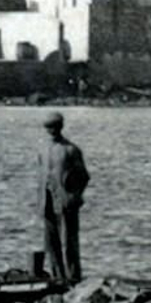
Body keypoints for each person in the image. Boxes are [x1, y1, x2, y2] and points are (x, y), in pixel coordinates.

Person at [38, 111, 89, 283]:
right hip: (46, 201)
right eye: (48, 127)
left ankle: (73, 278)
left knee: (69, 242)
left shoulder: (71, 150)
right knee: (51, 242)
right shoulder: (43, 150)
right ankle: (57, 276)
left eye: (54, 126)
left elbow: (84, 176)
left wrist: (75, 195)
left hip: (66, 201)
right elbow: (42, 174)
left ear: (61, 127)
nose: (51, 130)